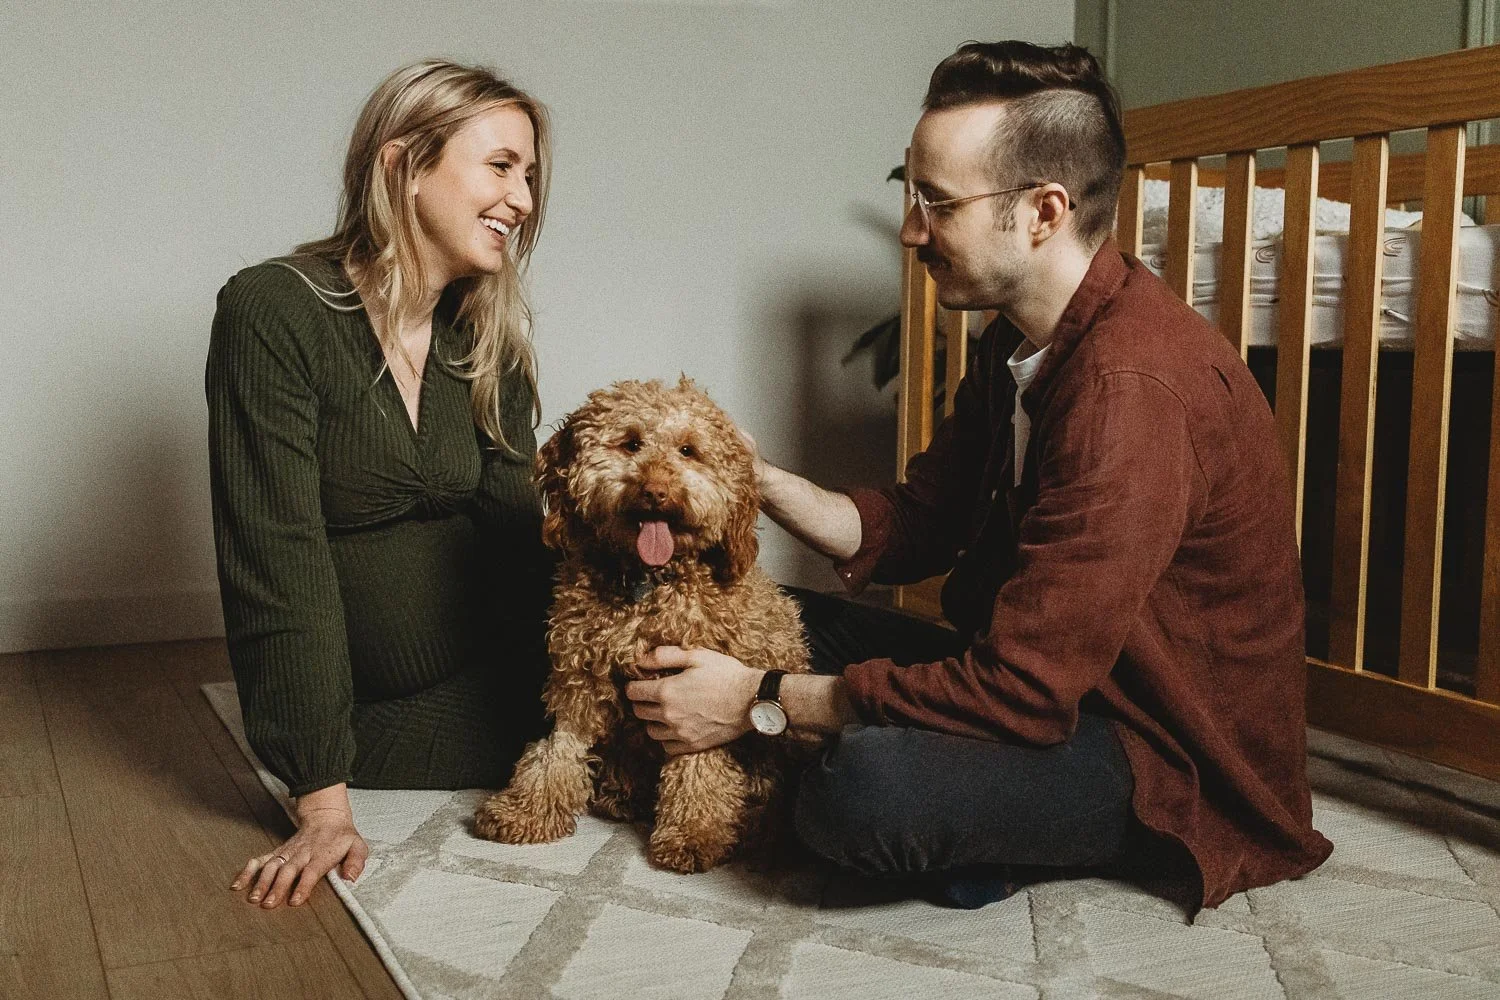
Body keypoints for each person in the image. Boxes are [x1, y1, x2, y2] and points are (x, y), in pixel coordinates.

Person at [626, 40, 1332, 912]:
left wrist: (758, 702)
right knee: (764, 617)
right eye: (910, 195)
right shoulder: (1020, 343)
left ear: (1043, 211)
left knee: (857, 791)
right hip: (1039, 680)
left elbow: (1023, 690)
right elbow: (915, 522)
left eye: (937, 202)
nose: (912, 229)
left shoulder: (1132, 391)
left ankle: (993, 832)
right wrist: (750, 475)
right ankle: (971, 829)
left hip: (1156, 746)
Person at [206, 60, 555, 910]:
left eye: (532, 177)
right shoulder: (275, 311)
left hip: (508, 662)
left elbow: (519, 528)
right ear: (401, 165)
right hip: (381, 713)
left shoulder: (485, 332)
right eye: (502, 167)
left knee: (750, 647)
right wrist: (321, 801)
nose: (525, 199)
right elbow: (274, 558)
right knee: (638, 739)